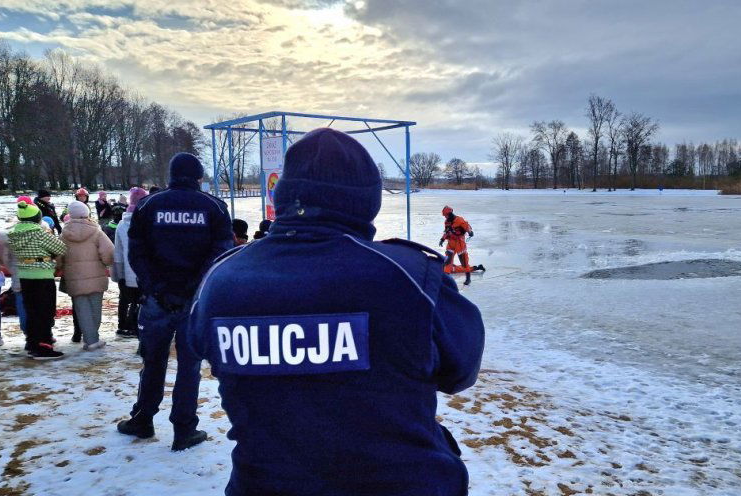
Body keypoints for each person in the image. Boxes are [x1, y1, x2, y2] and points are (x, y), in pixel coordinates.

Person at [188, 128, 485, 495]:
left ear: (283, 196)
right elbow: (461, 369)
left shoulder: (222, 280)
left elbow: (201, 345)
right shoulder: (406, 276)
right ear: (365, 201)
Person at [116, 153, 233, 451]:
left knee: (152, 361)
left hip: (157, 298)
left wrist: (155, 287)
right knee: (189, 365)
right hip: (192, 301)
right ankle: (184, 428)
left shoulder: (148, 205)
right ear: (198, 176)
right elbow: (220, 254)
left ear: (171, 174)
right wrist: (193, 289)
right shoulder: (214, 207)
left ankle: (143, 418)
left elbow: (137, 253)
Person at [8, 200, 67, 359]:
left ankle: (33, 343)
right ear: (37, 218)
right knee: (45, 311)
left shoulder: (13, 233)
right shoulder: (40, 233)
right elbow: (60, 248)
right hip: (42, 276)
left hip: (25, 276)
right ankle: (44, 346)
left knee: (32, 311)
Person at [59, 201, 114, 351]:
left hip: (74, 278)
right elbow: (109, 253)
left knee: (82, 309)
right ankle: (92, 338)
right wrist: (105, 263)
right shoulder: (97, 232)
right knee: (96, 308)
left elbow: (58, 256)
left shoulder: (64, 234)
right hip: (96, 276)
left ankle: (91, 339)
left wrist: (59, 267)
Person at [112, 187, 148, 339]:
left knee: (125, 298)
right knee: (142, 300)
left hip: (126, 270)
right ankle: (136, 325)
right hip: (143, 269)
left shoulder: (122, 224)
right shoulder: (147, 222)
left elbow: (118, 251)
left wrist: (118, 273)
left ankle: (123, 326)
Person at [439, 205, 485, 284]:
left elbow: (467, 226)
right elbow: (446, 231)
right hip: (450, 243)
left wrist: (470, 232)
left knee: (464, 262)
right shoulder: (447, 222)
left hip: (459, 243)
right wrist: (442, 239)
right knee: (447, 261)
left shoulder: (459, 220)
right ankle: (446, 278)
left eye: (446, 216)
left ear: (449, 214)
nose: (445, 217)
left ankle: (468, 278)